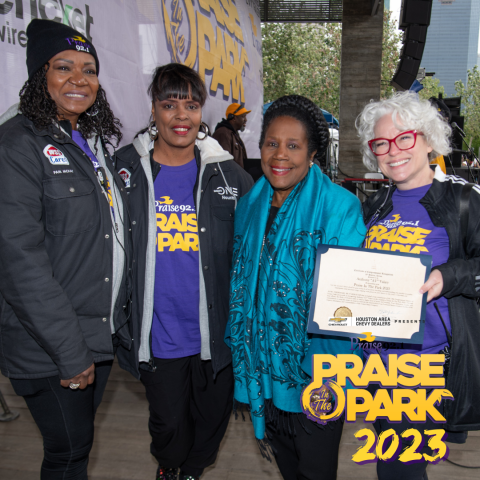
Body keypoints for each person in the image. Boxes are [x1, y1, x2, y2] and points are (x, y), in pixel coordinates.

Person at [0, 19, 132, 479]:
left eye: (89, 69)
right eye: (64, 67)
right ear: (41, 75)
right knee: (69, 452)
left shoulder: (87, 142)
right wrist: (69, 351)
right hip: (53, 344)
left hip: (93, 334)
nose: (80, 79)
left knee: (76, 448)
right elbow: (19, 261)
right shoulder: (18, 144)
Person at [114, 63, 253, 480]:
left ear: (201, 112)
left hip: (215, 329)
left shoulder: (230, 174)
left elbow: (254, 247)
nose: (181, 115)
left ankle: (191, 471)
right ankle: (170, 466)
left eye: (191, 105)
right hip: (158, 331)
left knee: (212, 418)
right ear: (153, 109)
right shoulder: (124, 171)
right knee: (170, 424)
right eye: (169, 103)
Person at [227, 95, 366, 480]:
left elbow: (347, 299)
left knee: (317, 471)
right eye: (272, 143)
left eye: (293, 145)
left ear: (312, 154)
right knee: (289, 467)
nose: (280, 155)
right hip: (264, 369)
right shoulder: (249, 205)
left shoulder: (340, 207)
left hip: (319, 372)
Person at [357, 91, 480, 480]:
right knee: (393, 463)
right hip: (374, 365)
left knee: (398, 468)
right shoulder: (374, 205)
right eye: (381, 143)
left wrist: (449, 276)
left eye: (405, 137)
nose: (393, 150)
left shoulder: (462, 198)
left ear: (428, 139)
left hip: (427, 366)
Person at [212, 102, 250, 168]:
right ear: (234, 118)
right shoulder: (223, 133)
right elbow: (224, 163)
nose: (246, 120)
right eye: (243, 116)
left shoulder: (234, 134)